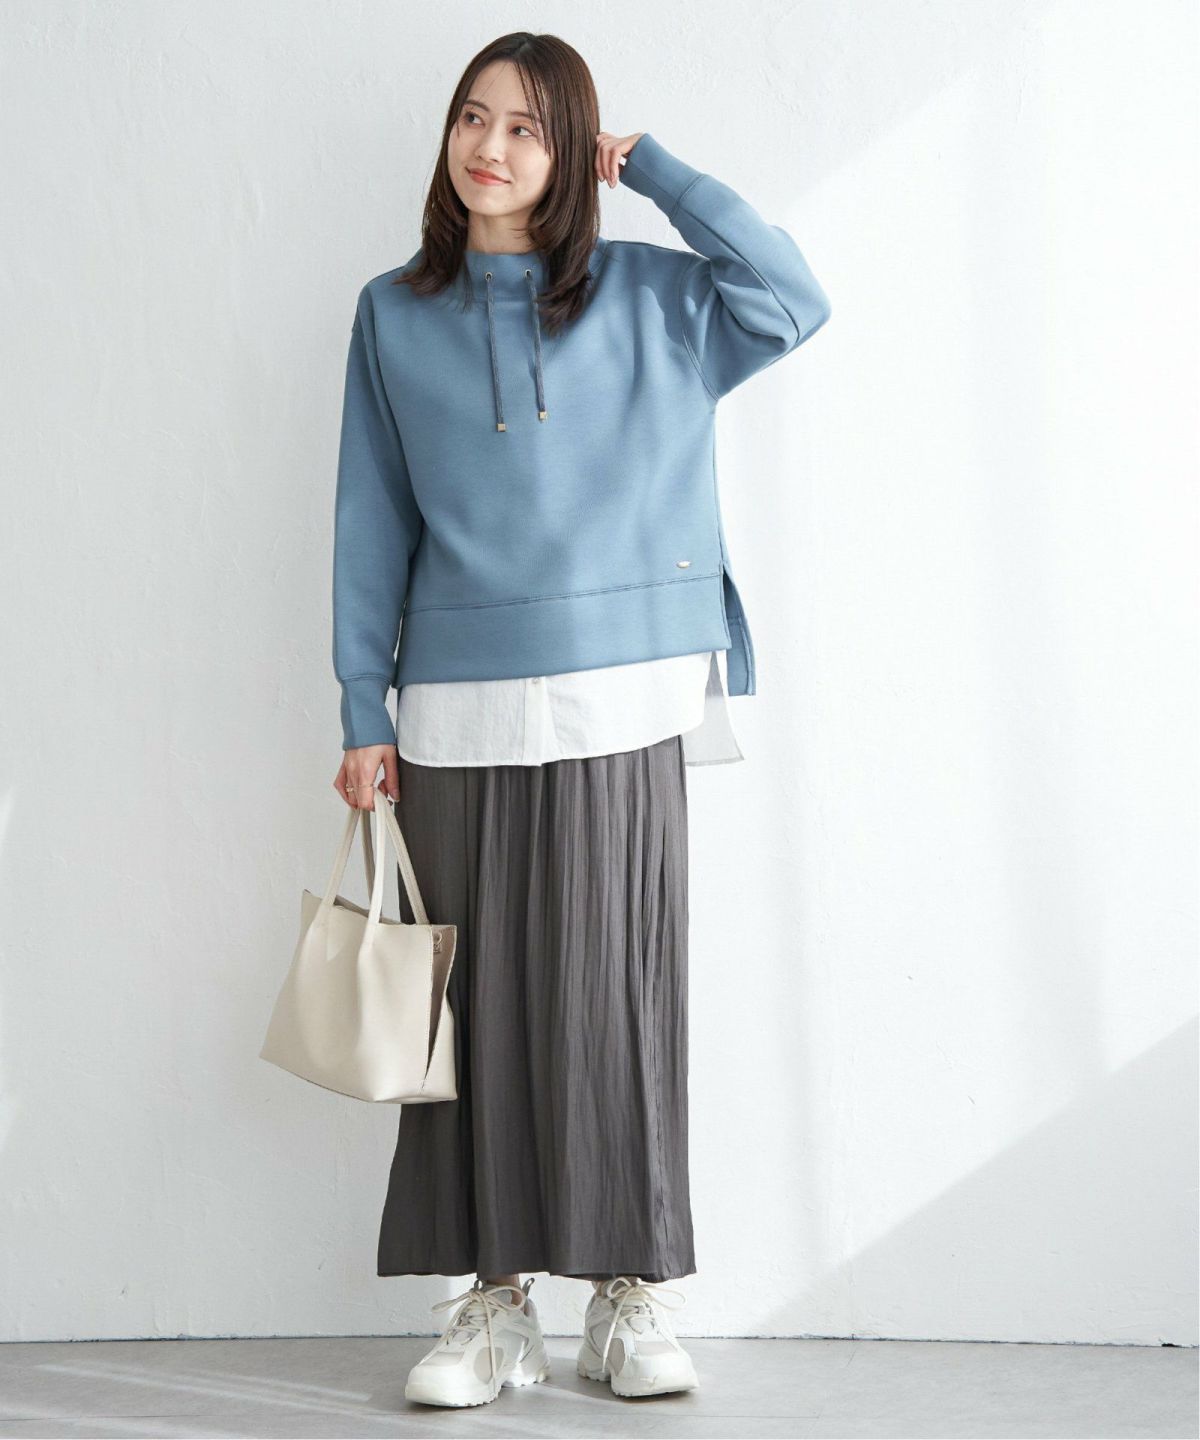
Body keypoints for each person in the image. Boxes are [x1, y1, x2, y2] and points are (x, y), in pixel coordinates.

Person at [329, 31, 830, 1410]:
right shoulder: (392, 315)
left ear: (572, 153)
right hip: (454, 706)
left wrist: (656, 170)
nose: (489, 147)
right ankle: (490, 1304)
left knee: (616, 997)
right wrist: (362, 703)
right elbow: (371, 515)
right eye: (471, 118)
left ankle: (626, 1295)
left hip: (626, 688)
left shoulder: (660, 298)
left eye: (527, 128)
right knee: (473, 1015)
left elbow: (793, 298)